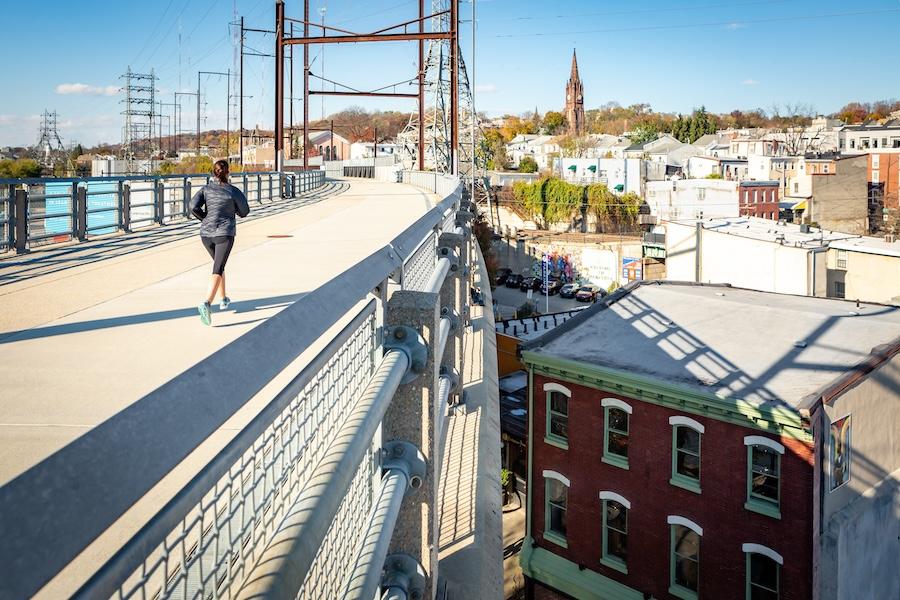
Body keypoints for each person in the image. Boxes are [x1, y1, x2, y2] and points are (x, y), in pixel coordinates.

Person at [190, 159, 250, 326]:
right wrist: (234, 209)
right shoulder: (233, 191)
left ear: (213, 173)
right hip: (224, 233)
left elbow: (192, 206)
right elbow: (244, 211)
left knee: (219, 264)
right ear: (228, 172)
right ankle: (207, 303)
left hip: (206, 235)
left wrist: (205, 219)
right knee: (217, 268)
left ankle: (223, 298)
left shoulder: (205, 189)